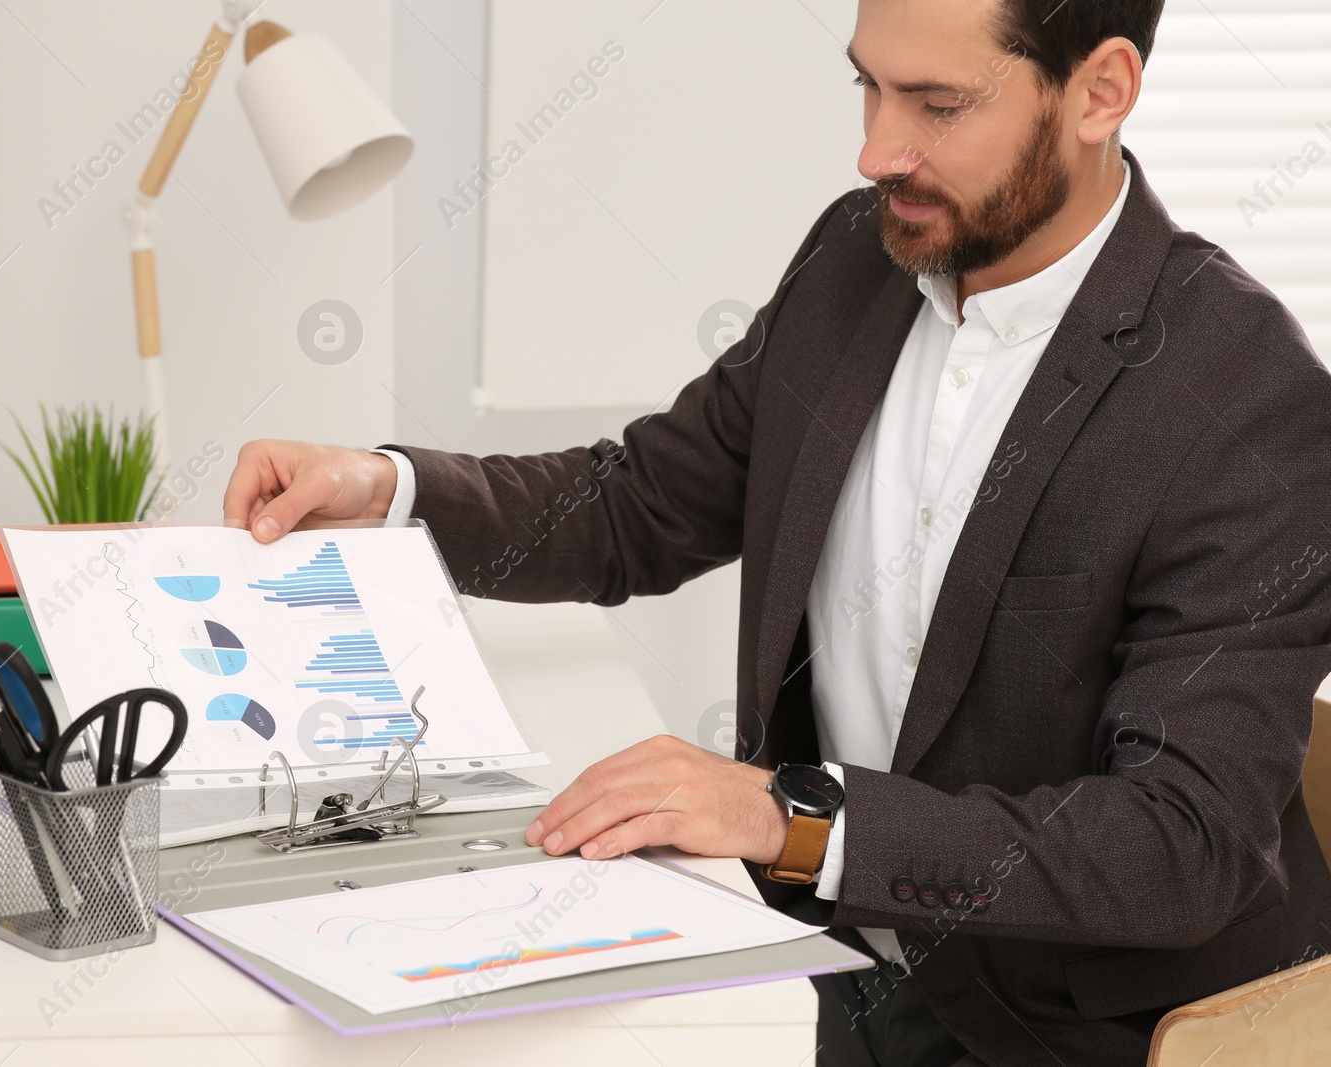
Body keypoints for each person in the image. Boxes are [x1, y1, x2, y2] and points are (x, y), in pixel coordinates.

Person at [223, 1, 1331, 1063]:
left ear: (1100, 91)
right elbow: (643, 502)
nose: (875, 152)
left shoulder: (1249, 403)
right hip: (838, 963)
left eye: (936, 105)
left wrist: (788, 816)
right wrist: (389, 488)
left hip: (1085, 1032)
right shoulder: (860, 254)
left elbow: (1180, 842)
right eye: (869, 87)